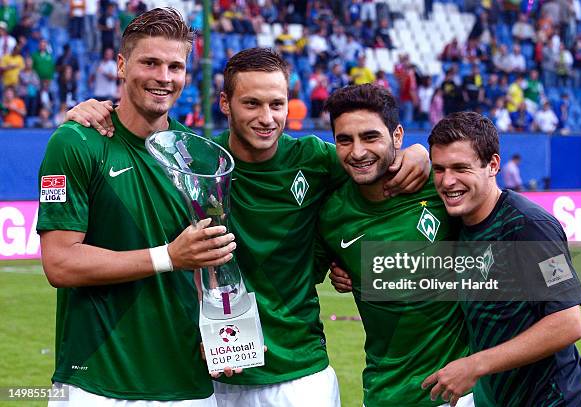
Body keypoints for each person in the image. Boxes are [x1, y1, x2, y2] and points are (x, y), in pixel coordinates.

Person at [63, 47, 432, 407]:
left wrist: (418, 154)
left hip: (300, 373)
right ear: (225, 103)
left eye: (277, 104)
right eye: (252, 103)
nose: (267, 117)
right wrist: (95, 108)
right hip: (216, 371)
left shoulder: (317, 160)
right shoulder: (197, 163)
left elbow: (375, 172)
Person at [37, 8, 237, 406]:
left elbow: (212, 267)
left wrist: (224, 333)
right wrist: (169, 257)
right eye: (150, 62)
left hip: (188, 387)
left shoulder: (197, 157)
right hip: (96, 384)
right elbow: (59, 263)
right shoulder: (76, 143)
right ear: (122, 65)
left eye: (175, 66)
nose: (164, 77)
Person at [422, 111, 581, 406]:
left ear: (492, 165)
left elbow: (568, 323)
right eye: (439, 169)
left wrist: (475, 365)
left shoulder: (530, 227)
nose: (447, 181)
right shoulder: (455, 222)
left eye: (460, 168)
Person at [317, 83, 473, 407]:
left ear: (398, 136)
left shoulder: (442, 188)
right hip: (384, 393)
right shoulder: (331, 215)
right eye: (345, 140)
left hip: (460, 393)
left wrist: (424, 154)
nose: (358, 151)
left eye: (371, 137)